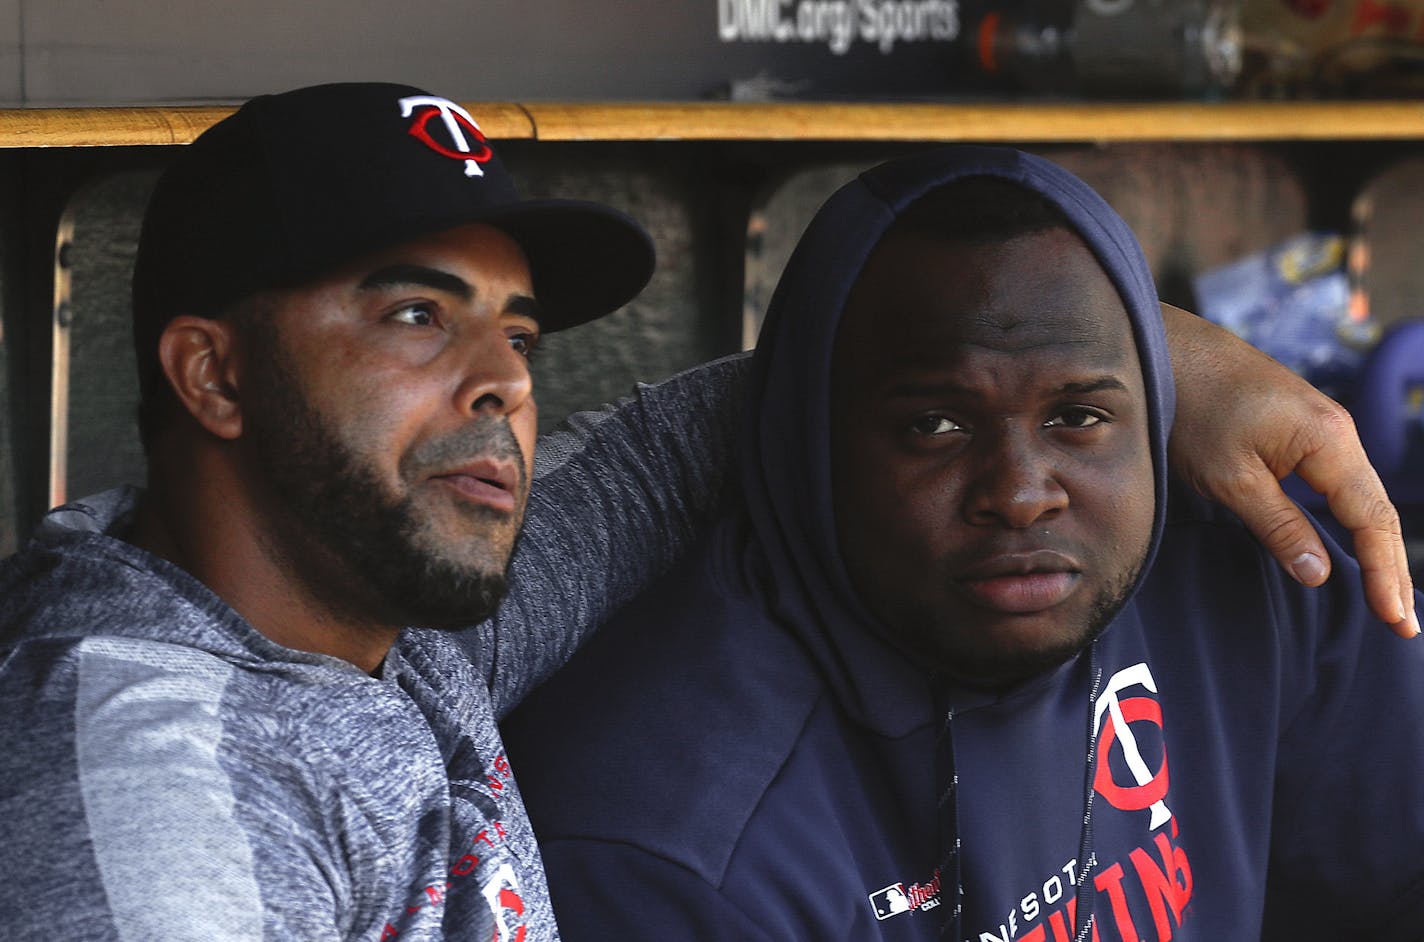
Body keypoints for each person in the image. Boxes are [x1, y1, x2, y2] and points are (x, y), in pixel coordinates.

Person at [0, 82, 1411, 940]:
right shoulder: (159, 802)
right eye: (417, 315)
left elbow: (749, 415)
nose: (498, 383)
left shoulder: (404, 605)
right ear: (215, 372)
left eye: (520, 332)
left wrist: (1158, 368)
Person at [502, 146, 1424, 941]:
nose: (1020, 494)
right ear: (805, 445)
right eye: (935, 426)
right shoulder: (672, 846)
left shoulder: (1241, 569)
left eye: (1078, 416)